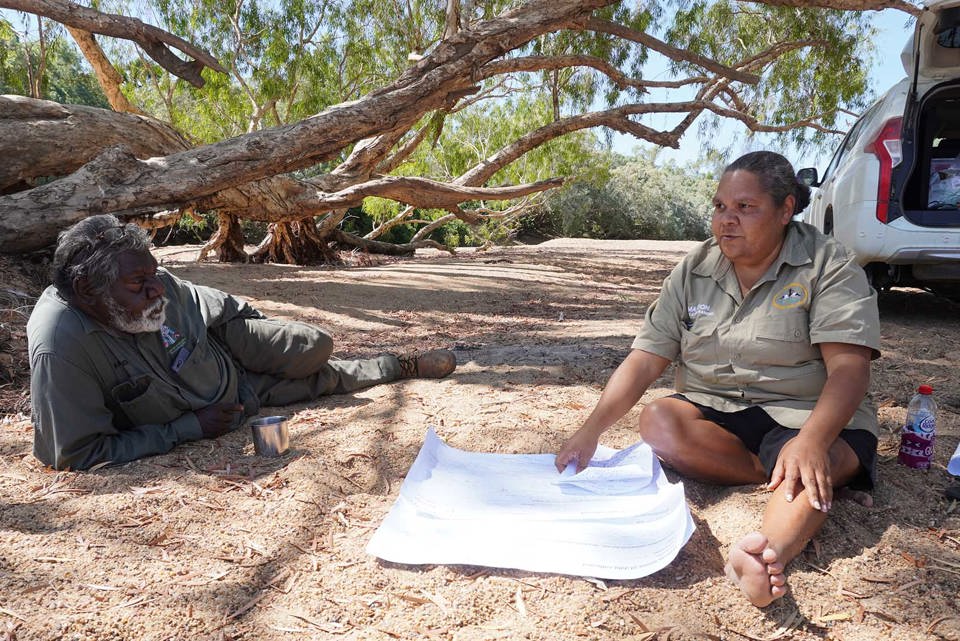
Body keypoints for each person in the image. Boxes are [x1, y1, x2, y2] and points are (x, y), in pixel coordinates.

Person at [555, 151, 881, 608]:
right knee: (659, 421)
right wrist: (590, 430)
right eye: (720, 207)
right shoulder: (694, 269)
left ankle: (765, 552)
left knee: (810, 461)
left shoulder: (829, 265)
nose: (727, 220)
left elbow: (850, 368)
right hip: (721, 410)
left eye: (745, 208)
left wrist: (810, 440)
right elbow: (646, 358)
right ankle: (764, 469)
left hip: (810, 414)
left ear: (786, 209)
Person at [28, 214, 456, 471]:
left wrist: (246, 328)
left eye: (155, 274)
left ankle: (394, 363)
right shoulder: (61, 345)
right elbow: (74, 455)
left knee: (316, 347)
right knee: (325, 382)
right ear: (86, 289)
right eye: (139, 282)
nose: (156, 290)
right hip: (232, 401)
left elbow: (199, 301)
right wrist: (187, 430)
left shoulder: (156, 287)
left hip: (225, 343)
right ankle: (399, 365)